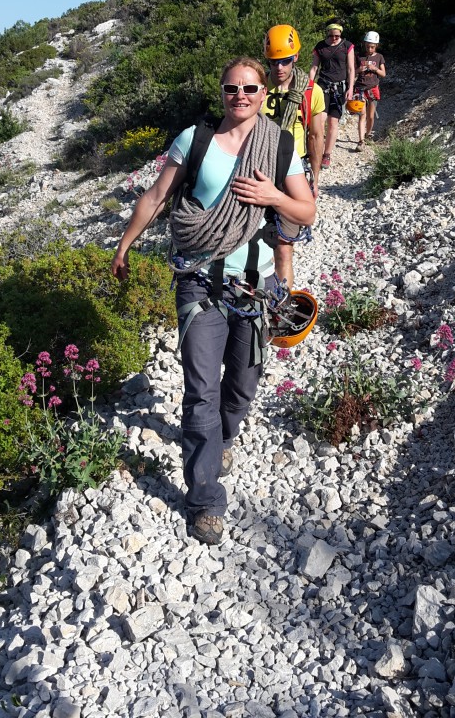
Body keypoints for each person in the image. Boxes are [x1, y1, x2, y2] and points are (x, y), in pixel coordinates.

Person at [112, 57, 315, 546]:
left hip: (255, 286)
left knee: (242, 385)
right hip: (199, 281)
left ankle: (222, 440)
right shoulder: (195, 140)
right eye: (231, 88)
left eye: (249, 88)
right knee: (201, 389)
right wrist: (124, 244)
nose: (239, 96)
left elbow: (305, 210)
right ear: (221, 92)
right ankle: (205, 498)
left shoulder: (280, 146)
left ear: (264, 93)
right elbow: (158, 194)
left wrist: (271, 195)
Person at [260, 24, 325, 289]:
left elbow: (316, 137)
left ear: (296, 57)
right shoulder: (256, 88)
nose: (279, 68)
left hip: (292, 171)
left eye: (285, 61)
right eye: (273, 62)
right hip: (258, 167)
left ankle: (282, 304)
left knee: (285, 246)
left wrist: (315, 179)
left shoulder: (311, 92)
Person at [308, 21, 355, 168]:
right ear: (328, 34)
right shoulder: (320, 47)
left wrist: (350, 88)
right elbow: (314, 67)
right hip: (323, 85)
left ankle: (327, 154)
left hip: (340, 87)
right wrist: (309, 85)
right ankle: (318, 151)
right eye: (332, 35)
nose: (335, 38)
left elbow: (351, 69)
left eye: (338, 35)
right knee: (320, 121)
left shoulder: (347, 46)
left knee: (333, 123)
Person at [353, 31, 386, 150]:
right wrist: (359, 69)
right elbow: (352, 72)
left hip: (372, 89)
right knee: (362, 115)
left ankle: (367, 134)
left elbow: (383, 74)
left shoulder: (379, 57)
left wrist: (375, 69)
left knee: (370, 116)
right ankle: (361, 141)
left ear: (376, 46)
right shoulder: (359, 56)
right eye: (367, 46)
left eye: (372, 46)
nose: (369, 48)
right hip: (360, 88)